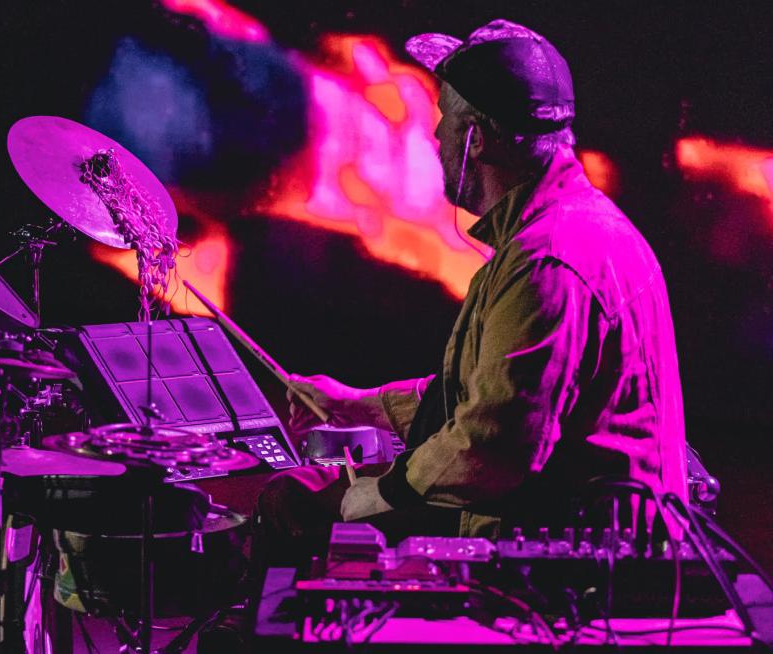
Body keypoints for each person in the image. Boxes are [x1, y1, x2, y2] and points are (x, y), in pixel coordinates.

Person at [255, 19, 688, 567]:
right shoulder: (569, 226)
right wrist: (352, 405)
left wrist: (367, 497)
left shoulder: (547, 262)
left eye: (444, 120)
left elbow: (490, 447)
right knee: (316, 491)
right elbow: (486, 394)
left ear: (476, 139)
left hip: (577, 555)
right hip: (566, 518)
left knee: (289, 505)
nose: (436, 136)